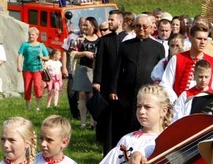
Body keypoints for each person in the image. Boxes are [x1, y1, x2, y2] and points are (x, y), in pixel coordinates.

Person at [110, 15, 165, 143]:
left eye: (145, 26)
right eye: (138, 26)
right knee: (126, 120)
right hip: (127, 91)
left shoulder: (158, 47)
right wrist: (113, 89)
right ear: (134, 27)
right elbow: (117, 69)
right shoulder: (126, 45)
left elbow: (162, 71)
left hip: (149, 92)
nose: (141, 29)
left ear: (151, 28)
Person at [92, 9, 127, 154]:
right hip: (107, 84)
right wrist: (97, 80)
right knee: (109, 119)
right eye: (109, 19)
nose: (109, 22)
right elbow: (99, 62)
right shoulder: (105, 40)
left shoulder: (128, 39)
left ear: (120, 21)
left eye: (112, 19)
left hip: (124, 85)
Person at [160, 24, 213, 105]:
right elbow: (165, 83)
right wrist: (176, 101)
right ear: (190, 38)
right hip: (179, 106)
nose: (202, 42)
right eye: (199, 38)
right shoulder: (177, 59)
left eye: (205, 39)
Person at [70, 17, 100, 129]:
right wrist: (85, 53)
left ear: (93, 26)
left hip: (94, 70)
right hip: (82, 69)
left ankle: (92, 122)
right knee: (82, 95)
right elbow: (72, 53)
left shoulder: (99, 40)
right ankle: (83, 122)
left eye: (87, 25)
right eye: (83, 25)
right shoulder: (79, 39)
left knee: (92, 95)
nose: (84, 27)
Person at [17, 27, 49, 112]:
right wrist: (19, 65)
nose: (31, 36)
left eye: (33, 34)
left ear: (37, 36)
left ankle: (38, 106)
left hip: (38, 69)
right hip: (27, 69)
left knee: (37, 87)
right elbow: (20, 55)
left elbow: (48, 57)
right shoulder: (25, 45)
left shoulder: (41, 46)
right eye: (29, 34)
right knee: (27, 87)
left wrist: (42, 57)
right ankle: (28, 107)